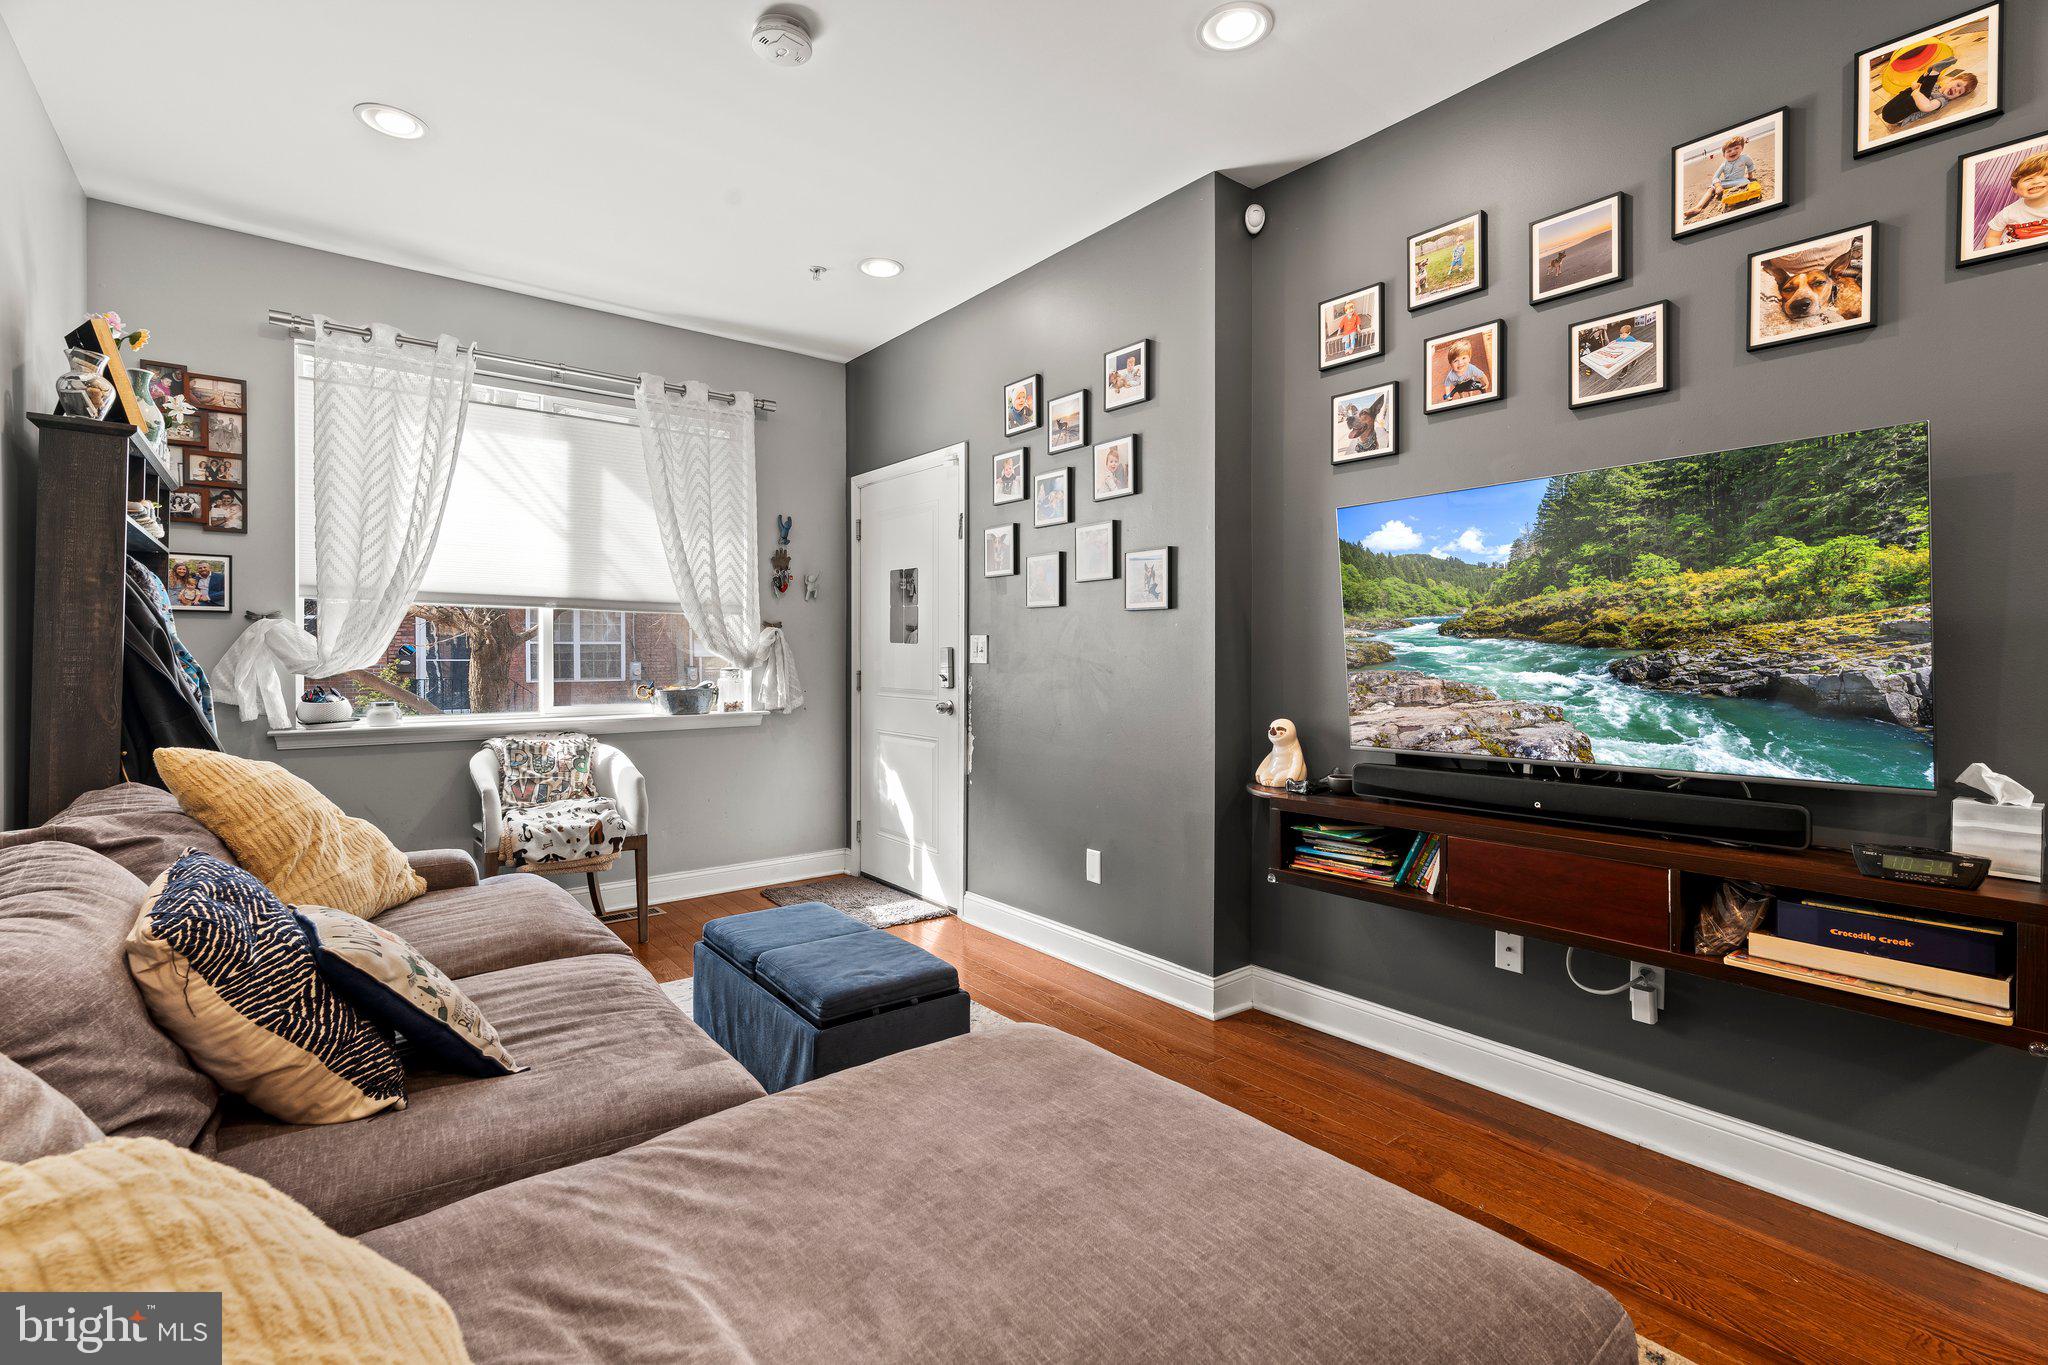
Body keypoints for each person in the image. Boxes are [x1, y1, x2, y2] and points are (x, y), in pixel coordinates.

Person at [1982, 151, 2048, 250]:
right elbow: (1993, 237)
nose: (2036, 181)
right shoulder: (2009, 212)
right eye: (2028, 179)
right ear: (2015, 189)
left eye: (2046, 175)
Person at [1881, 61, 1977, 130]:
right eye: (1958, 85)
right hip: (1893, 105)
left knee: (1923, 94)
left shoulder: (1942, 100)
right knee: (1915, 86)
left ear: (1957, 97)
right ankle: (1929, 72)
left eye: (1960, 92)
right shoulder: (1935, 86)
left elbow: (1926, 107)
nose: (1957, 89)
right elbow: (1914, 85)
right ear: (1950, 80)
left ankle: (1934, 73)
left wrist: (1916, 93)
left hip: (1896, 116)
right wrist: (1916, 87)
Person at [1684, 134, 1759, 220]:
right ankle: (1698, 207)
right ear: (1724, 155)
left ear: (1742, 148)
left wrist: (1750, 175)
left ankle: (1721, 193)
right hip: (1727, 182)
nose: (1733, 152)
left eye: (1736, 148)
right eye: (1729, 151)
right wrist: (1718, 186)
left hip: (1740, 180)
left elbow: (1750, 165)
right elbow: (1715, 177)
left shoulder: (1745, 158)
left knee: (1746, 182)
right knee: (1711, 188)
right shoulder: (1723, 165)